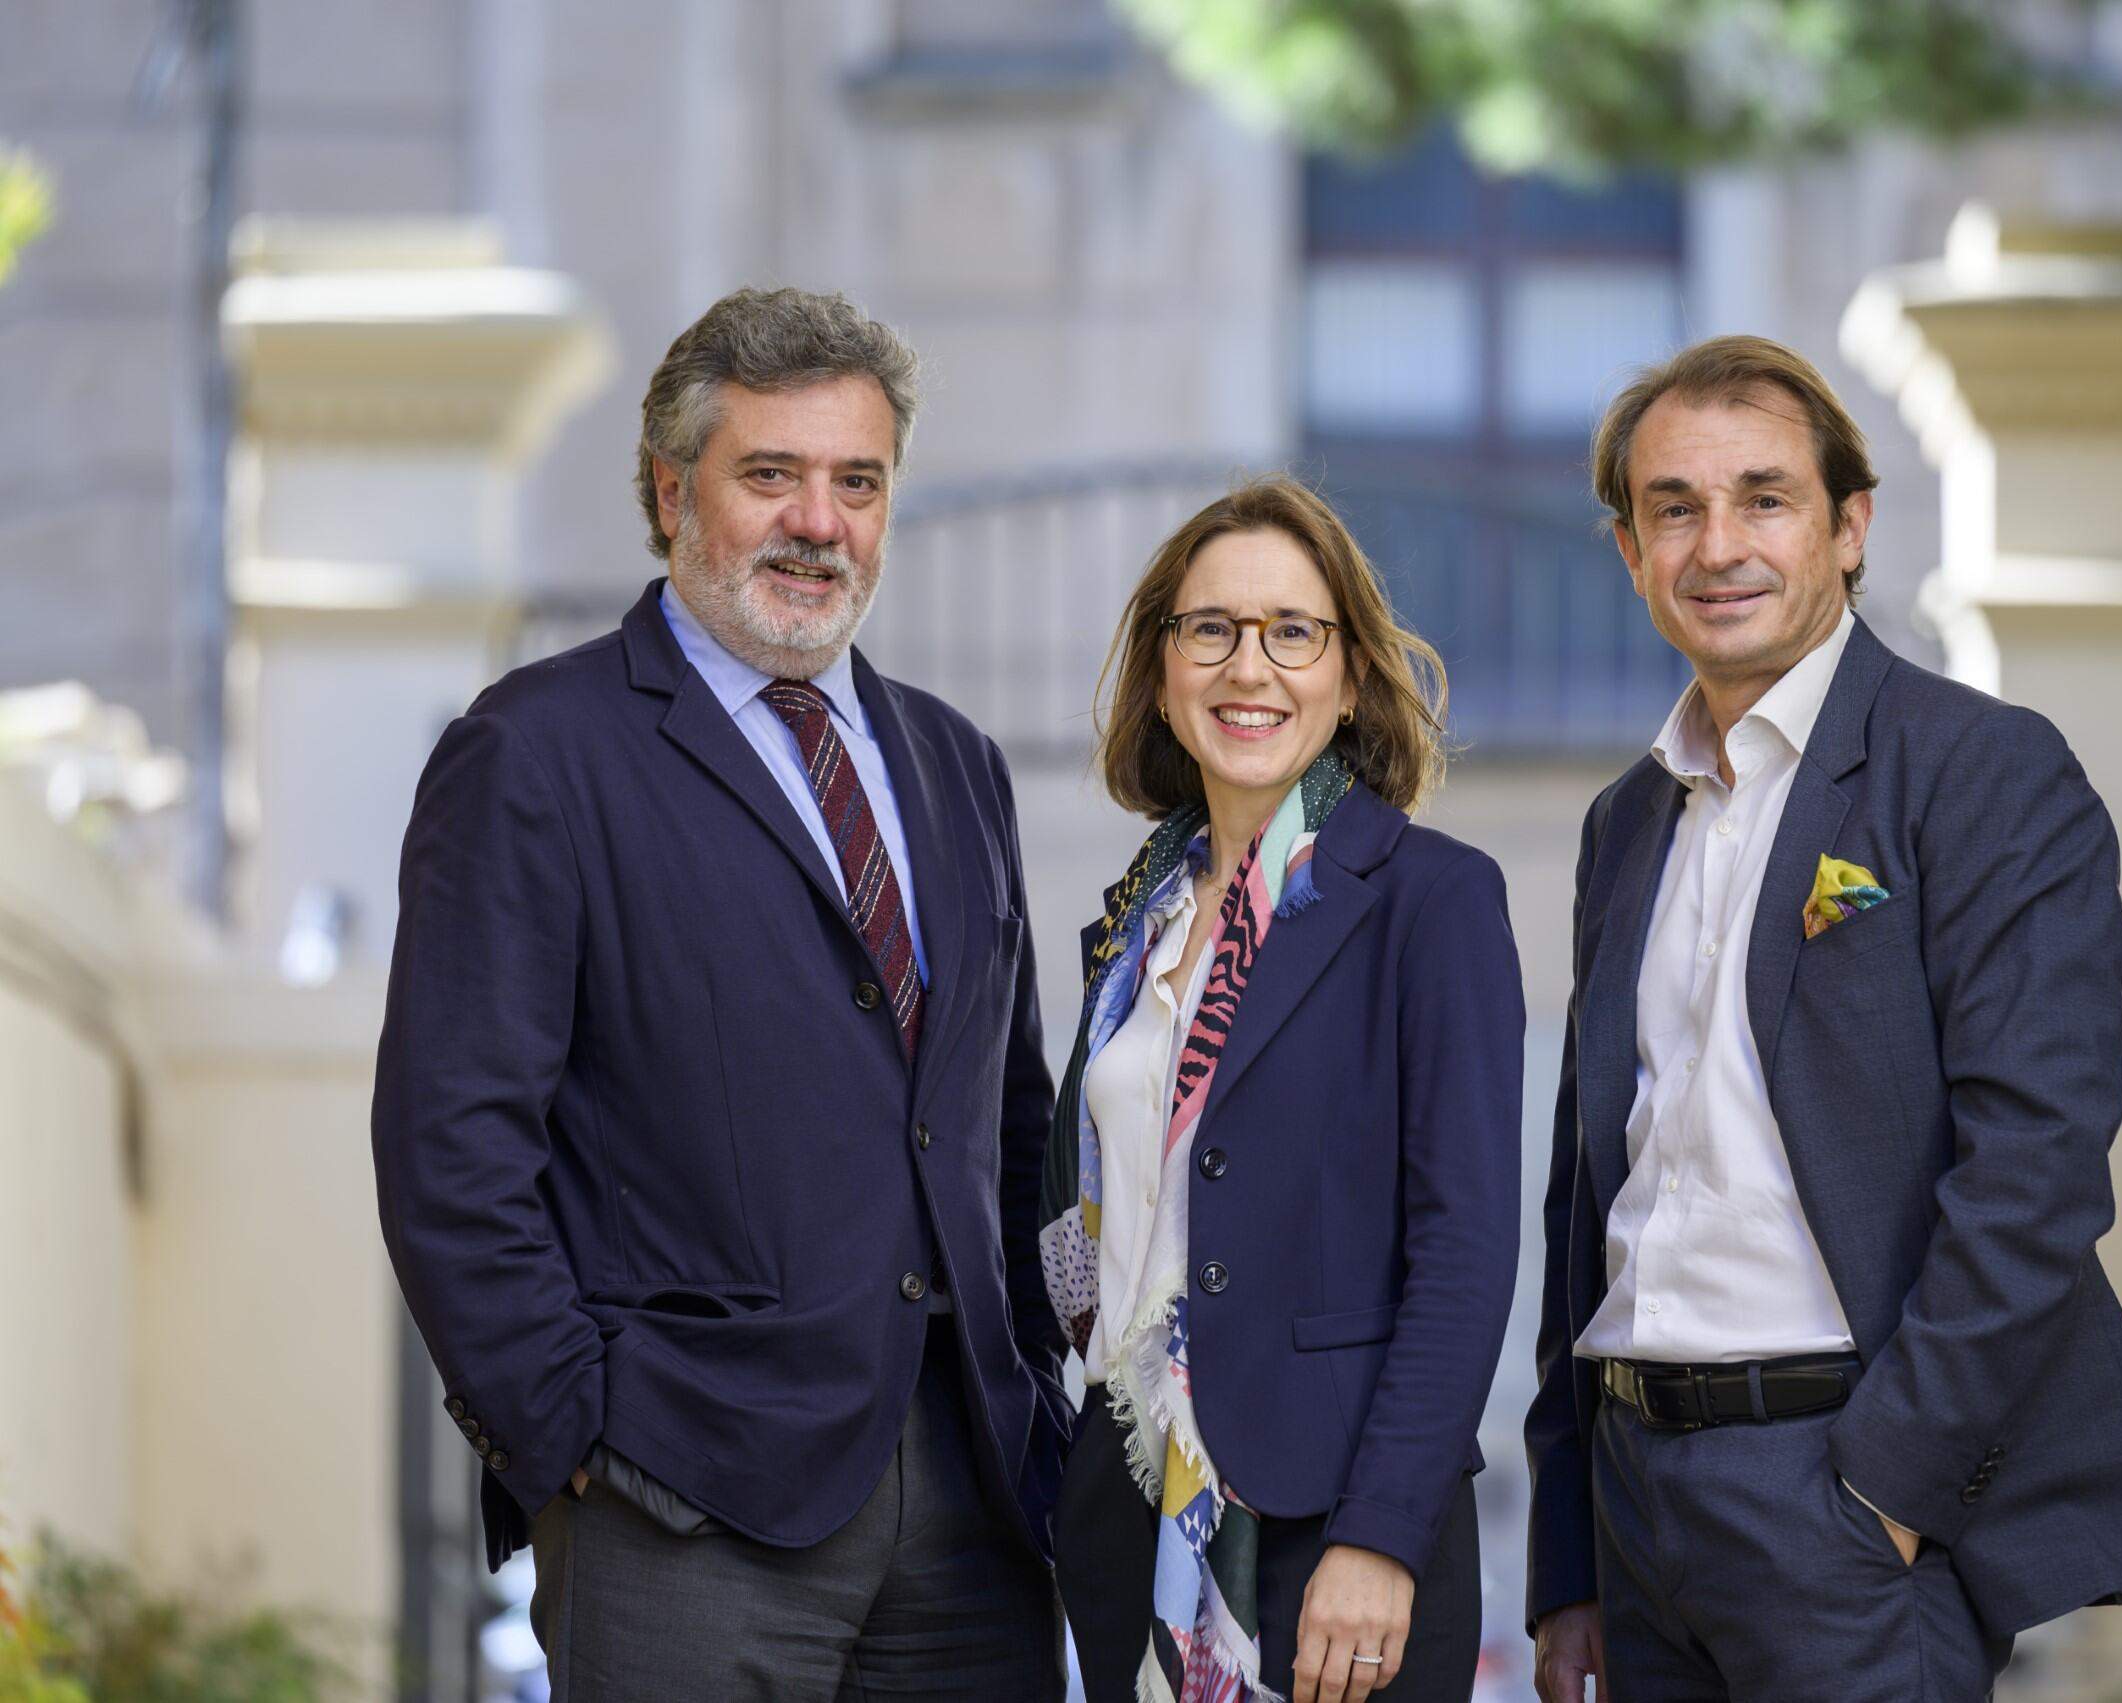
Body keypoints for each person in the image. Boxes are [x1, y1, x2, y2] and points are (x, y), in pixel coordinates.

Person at [371, 287, 1067, 1699]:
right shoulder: (536, 752)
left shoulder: (955, 764)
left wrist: (1042, 1386)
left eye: (856, 482)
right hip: (680, 1497)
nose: (819, 521)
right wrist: (569, 1439)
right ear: (670, 488)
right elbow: (452, 1142)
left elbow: (1005, 1119)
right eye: (772, 474)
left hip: (974, 1511)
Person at [1524, 336, 2122, 1701]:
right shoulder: (1626, 822)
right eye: (1675, 506)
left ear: (1850, 527)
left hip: (1835, 1492)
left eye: (1765, 498)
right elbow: (1590, 1194)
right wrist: (1568, 1562)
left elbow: (2037, 1169)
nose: (1719, 543)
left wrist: (1887, 1489)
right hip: (1634, 1494)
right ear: (1629, 548)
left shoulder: (1981, 771)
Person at [1041, 476, 1524, 1703]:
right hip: (1130, 1512)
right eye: (1209, 629)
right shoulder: (1134, 924)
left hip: (1331, 1532)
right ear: (1162, 672)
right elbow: (1083, 1214)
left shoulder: (1432, 900)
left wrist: (1381, 1530)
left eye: (1291, 632)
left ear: (1351, 674)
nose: (1246, 667)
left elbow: (1462, 1250)